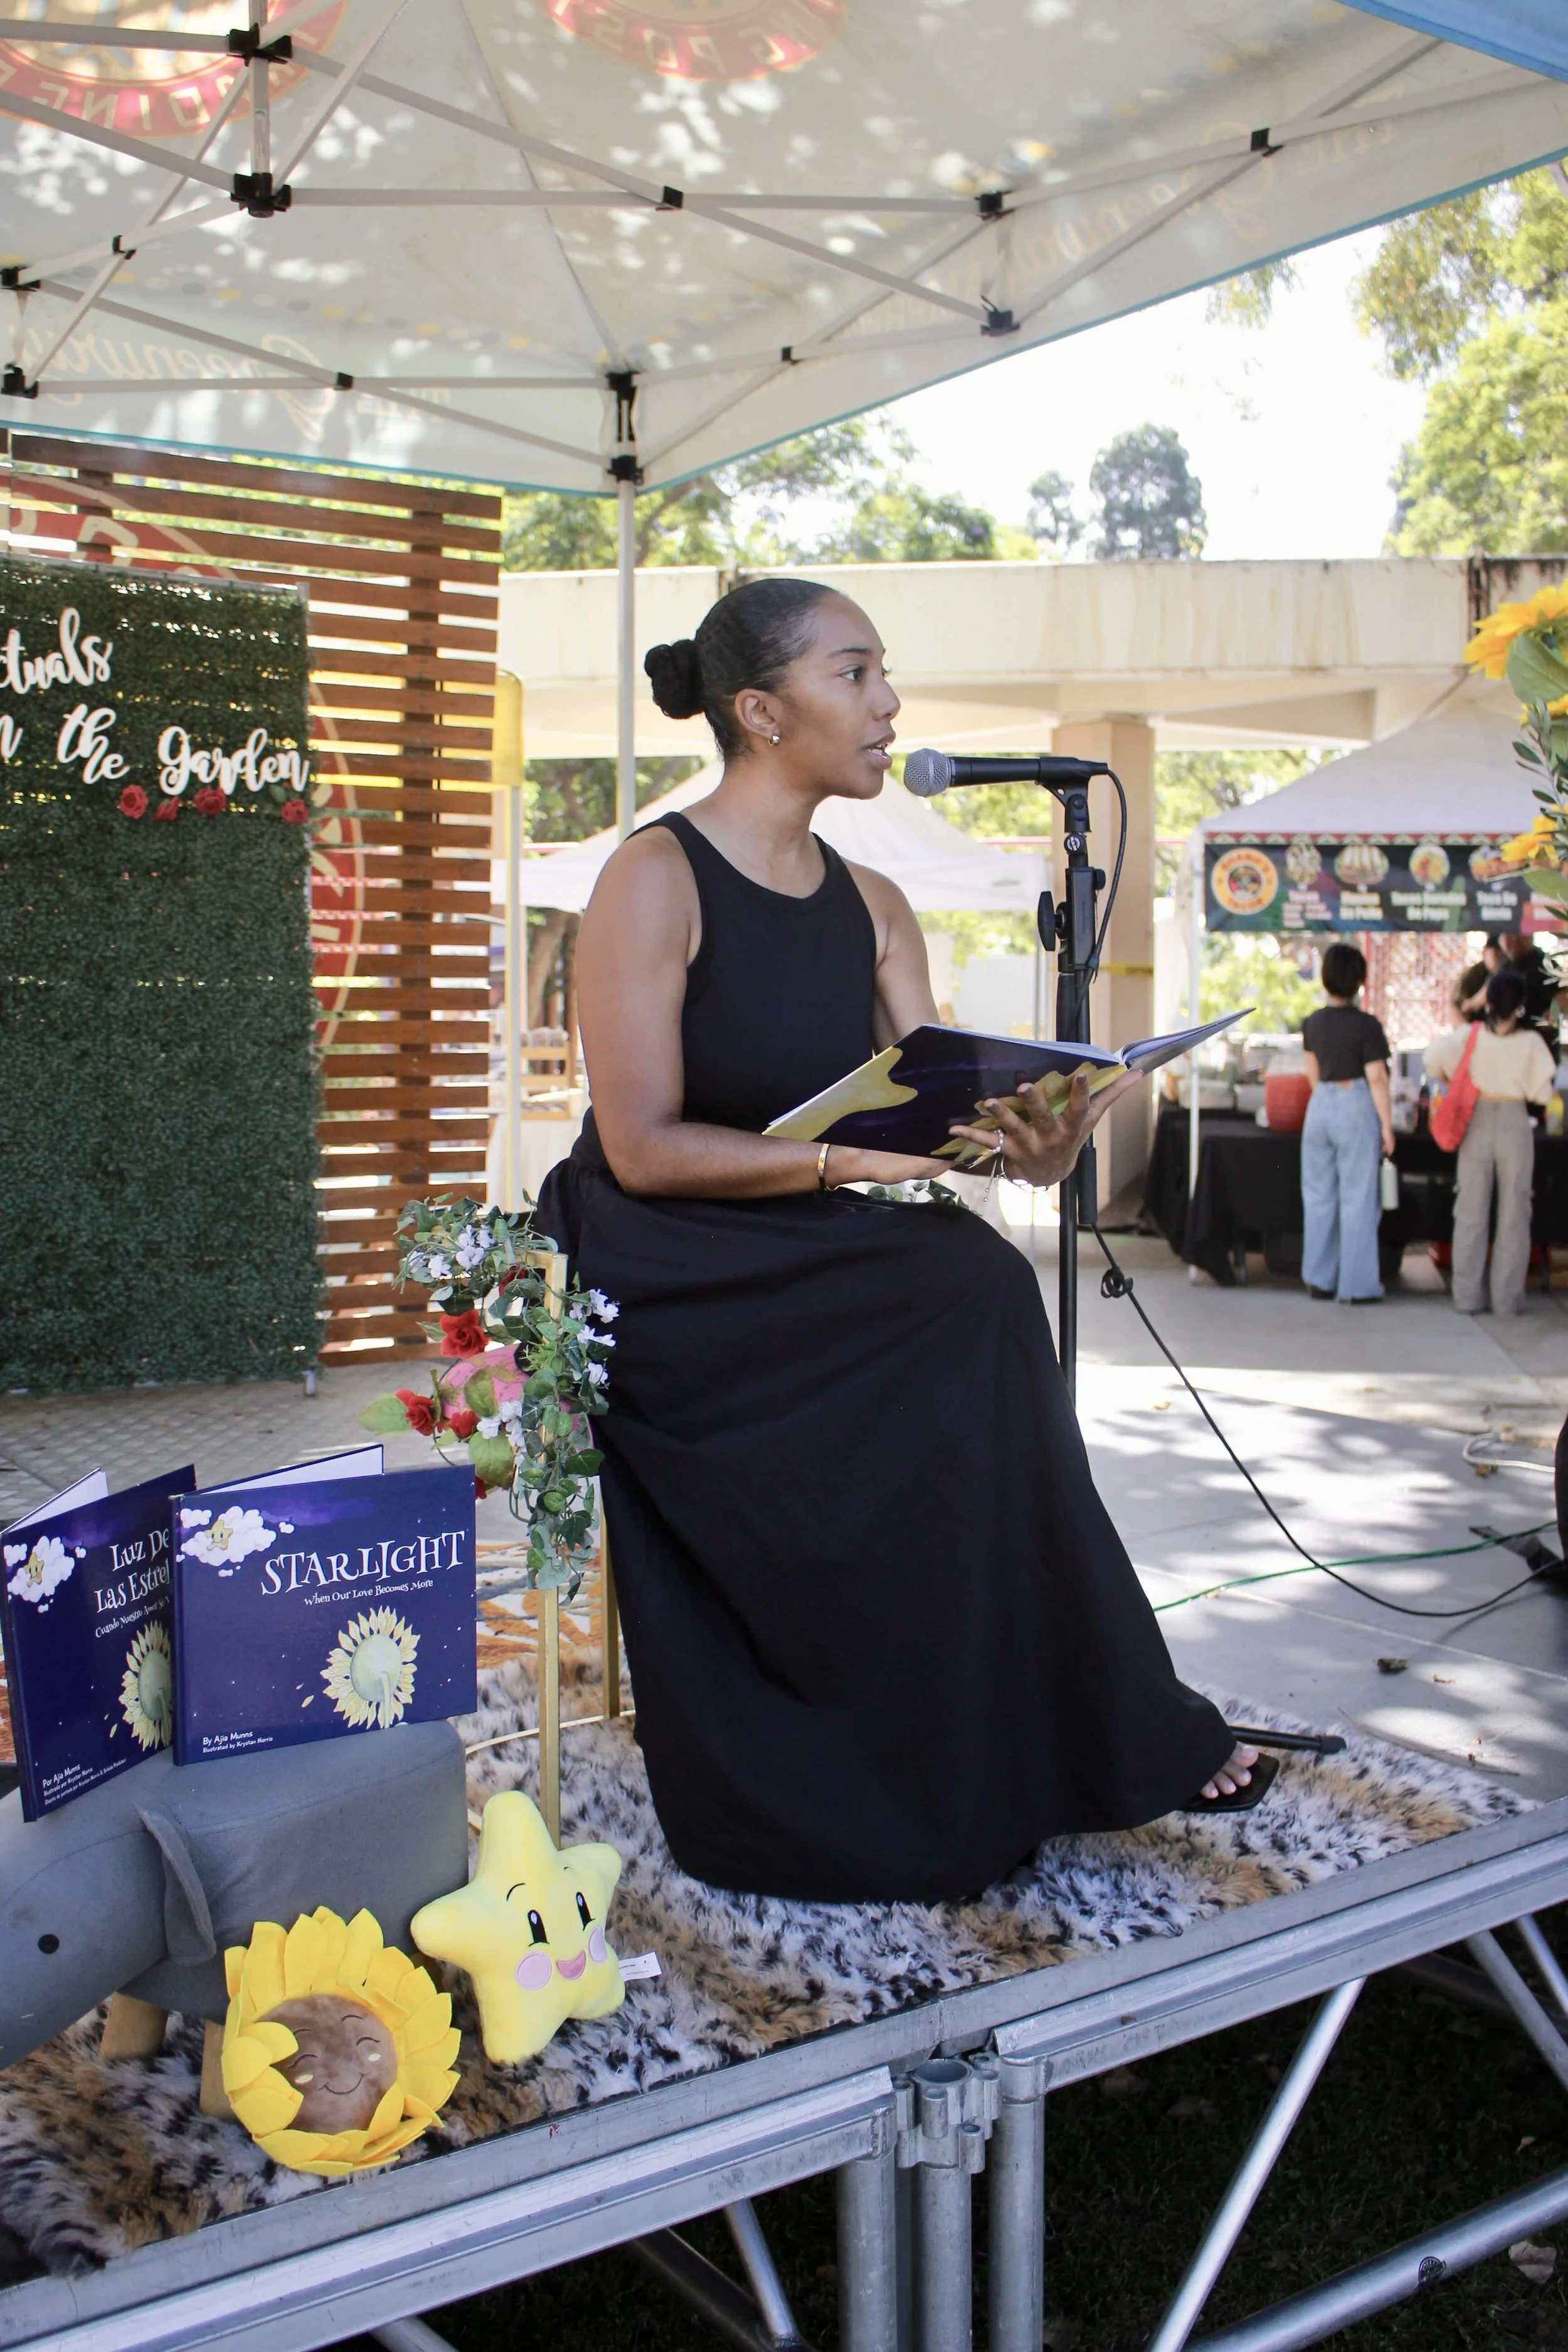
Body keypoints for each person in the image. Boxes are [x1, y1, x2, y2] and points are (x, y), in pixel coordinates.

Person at [537, 576, 1256, 1906]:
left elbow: (930, 1114)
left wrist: (1028, 1144)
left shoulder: (873, 902)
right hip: (661, 1248)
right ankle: (868, 1748)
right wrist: (841, 1161)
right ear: (759, 712)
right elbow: (638, 1145)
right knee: (956, 1300)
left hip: (806, 1226)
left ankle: (1038, 1720)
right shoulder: (652, 875)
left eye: (882, 674)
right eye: (854, 674)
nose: (888, 704)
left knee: (976, 1283)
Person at [1426, 968, 1556, 1315]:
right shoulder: (1531, 1043)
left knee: (1470, 1209)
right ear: (1520, 1006)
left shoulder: (1469, 1036)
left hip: (1477, 1119)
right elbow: (1542, 1092)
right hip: (1514, 1121)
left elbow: (1432, 1060)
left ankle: (1467, 1297)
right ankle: (1506, 1300)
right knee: (1514, 1212)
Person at [1299, 943, 1394, 1304]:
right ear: (1360, 981)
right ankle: (1356, 1287)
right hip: (1355, 1104)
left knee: (1319, 1196)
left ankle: (1319, 1280)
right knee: (1357, 1198)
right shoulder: (1367, 1026)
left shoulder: (1313, 1022)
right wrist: (1386, 1126)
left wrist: (1327, 1101)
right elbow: (1378, 1080)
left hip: (1320, 1103)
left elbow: (1313, 1075)